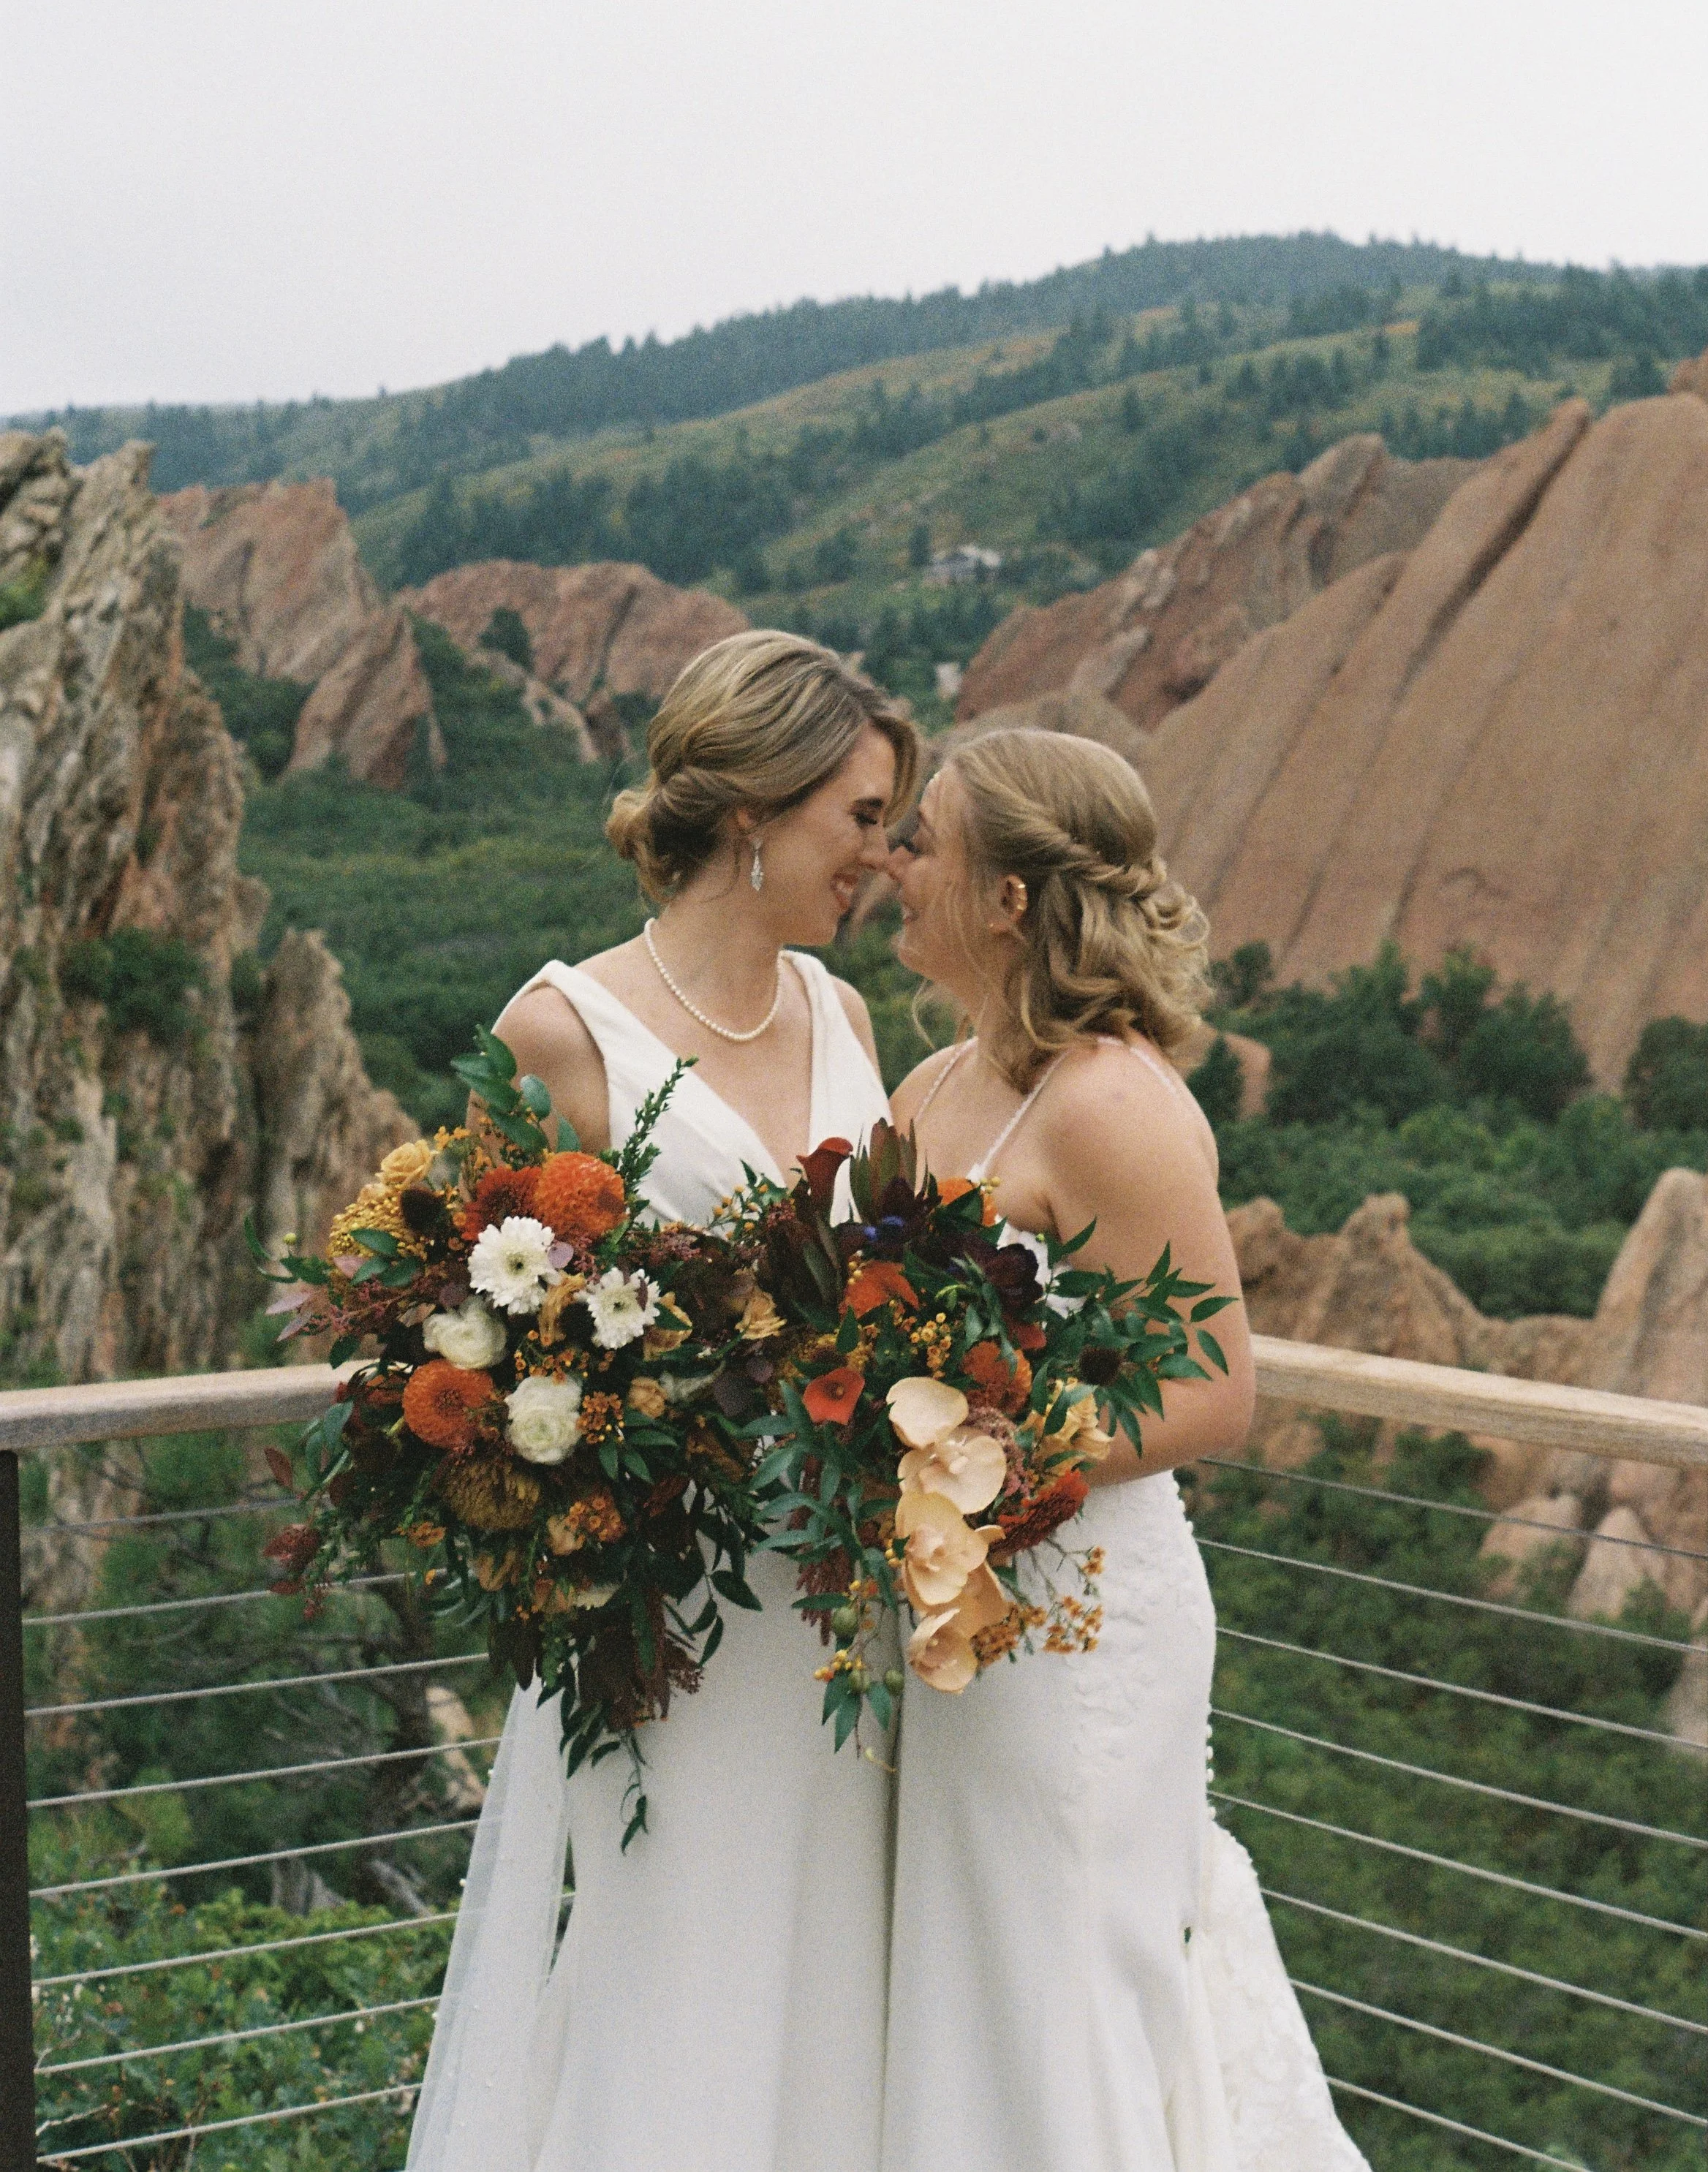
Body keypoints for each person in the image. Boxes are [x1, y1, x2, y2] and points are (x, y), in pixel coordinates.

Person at [406, 630, 917, 2172]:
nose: (883, 859)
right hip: (672, 1620)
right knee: (679, 1969)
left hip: (845, 1601)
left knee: (839, 1973)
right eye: (863, 816)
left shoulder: (843, 1016)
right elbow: (458, 1317)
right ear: (754, 807)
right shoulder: (561, 1030)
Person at [882, 727, 1368, 2172]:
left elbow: (1214, 1393)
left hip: (1081, 1623)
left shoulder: (1110, 1100)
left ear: (1009, 895)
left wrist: (987, 1461)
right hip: (949, 1603)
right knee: (978, 1969)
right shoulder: (925, 1086)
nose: (895, 864)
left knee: (1067, 1977)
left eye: (926, 838)